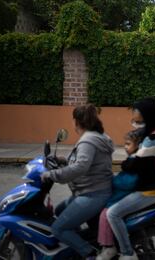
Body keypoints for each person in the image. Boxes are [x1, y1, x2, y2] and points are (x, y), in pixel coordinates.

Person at [41, 104, 114, 259]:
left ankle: (89, 253)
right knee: (59, 211)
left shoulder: (88, 140)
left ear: (77, 122)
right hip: (91, 191)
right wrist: (62, 160)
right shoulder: (97, 136)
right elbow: (84, 162)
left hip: (92, 194)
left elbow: (81, 166)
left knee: (58, 228)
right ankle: (81, 241)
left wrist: (53, 174)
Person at [106, 98, 155, 260]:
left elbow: (133, 164)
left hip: (151, 191)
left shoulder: (154, 139)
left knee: (112, 214)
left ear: (148, 116)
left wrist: (127, 162)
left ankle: (127, 253)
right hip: (151, 187)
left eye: (138, 116)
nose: (135, 120)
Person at [96, 129, 144, 260]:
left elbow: (128, 182)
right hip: (124, 192)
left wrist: (113, 182)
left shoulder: (136, 161)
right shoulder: (133, 159)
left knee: (106, 214)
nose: (125, 146)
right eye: (125, 143)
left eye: (128, 144)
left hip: (124, 194)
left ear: (138, 145)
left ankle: (109, 246)